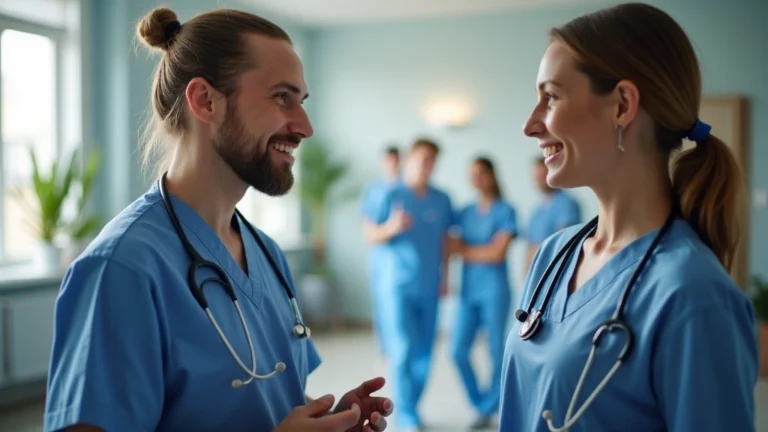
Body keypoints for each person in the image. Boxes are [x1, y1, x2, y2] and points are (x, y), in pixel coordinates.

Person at [43, 7, 393, 432]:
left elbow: (265, 396)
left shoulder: (266, 254)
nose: (305, 127)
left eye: (301, 102)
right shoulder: (122, 269)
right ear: (205, 101)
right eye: (282, 98)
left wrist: (330, 420)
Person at [500, 3, 758, 432]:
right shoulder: (554, 256)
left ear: (622, 104)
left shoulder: (693, 294)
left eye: (551, 97)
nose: (530, 125)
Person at [363, 139, 454, 432]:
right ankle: (407, 414)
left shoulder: (442, 199)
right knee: (402, 348)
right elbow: (369, 235)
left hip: (429, 284)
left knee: (425, 351)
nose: (427, 165)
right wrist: (392, 226)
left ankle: (411, 406)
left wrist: (446, 277)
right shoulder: (390, 193)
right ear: (409, 159)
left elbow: (445, 241)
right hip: (397, 285)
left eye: (432, 160)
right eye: (422, 158)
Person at [449, 156, 517, 430]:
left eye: (481, 172)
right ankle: (483, 404)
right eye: (472, 173)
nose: (476, 178)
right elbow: (450, 245)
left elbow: (497, 253)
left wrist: (464, 250)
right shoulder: (465, 212)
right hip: (468, 292)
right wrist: (480, 251)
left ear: (491, 175)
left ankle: (489, 407)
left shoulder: (505, 210)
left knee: (496, 351)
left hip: (494, 291)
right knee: (457, 351)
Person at [360, 146, 401, 355]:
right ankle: (384, 354)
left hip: (401, 263)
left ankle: (395, 354)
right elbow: (368, 232)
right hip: (381, 260)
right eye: (388, 161)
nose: (391, 165)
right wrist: (391, 228)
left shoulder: (407, 189)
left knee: (399, 314)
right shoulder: (374, 190)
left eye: (395, 160)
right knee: (382, 310)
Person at [524, 156, 582, 274]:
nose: (539, 181)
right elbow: (530, 246)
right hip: (537, 273)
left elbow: (562, 241)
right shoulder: (536, 211)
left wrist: (537, 251)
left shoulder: (566, 204)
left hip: (557, 271)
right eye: (537, 177)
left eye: (542, 176)